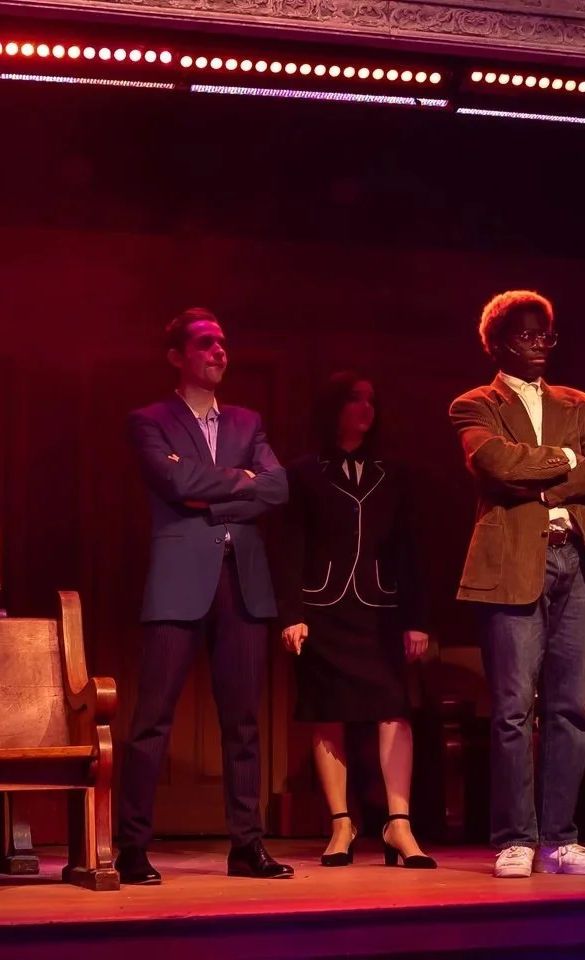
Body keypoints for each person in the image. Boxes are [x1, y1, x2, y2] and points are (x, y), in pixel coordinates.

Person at [450, 290, 585, 879]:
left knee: (571, 708)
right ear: (497, 343)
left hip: (575, 558)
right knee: (511, 709)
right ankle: (515, 839)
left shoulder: (580, 404)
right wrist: (570, 460)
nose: (539, 345)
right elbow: (496, 464)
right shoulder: (475, 404)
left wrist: (547, 483)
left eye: (545, 335)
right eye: (525, 336)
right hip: (511, 563)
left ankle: (560, 839)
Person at [115, 308, 292, 884]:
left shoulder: (247, 420)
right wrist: (240, 483)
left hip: (243, 579)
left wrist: (210, 491)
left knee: (243, 722)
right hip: (179, 578)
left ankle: (247, 846)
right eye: (205, 343)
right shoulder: (150, 420)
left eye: (222, 343)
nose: (219, 352)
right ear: (177, 356)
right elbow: (173, 481)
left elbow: (278, 487)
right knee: (152, 719)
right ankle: (132, 846)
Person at [276, 372, 435, 869]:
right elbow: (289, 547)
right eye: (354, 399)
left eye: (370, 399)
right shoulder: (303, 472)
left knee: (394, 710)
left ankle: (399, 824)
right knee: (328, 711)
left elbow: (412, 550)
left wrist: (417, 619)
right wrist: (291, 614)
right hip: (323, 609)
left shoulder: (396, 472)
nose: (365, 407)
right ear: (333, 407)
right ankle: (341, 823)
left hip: (381, 610)